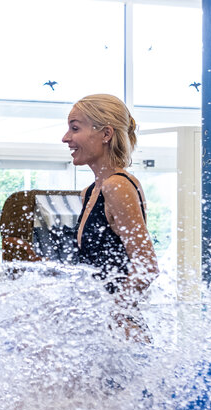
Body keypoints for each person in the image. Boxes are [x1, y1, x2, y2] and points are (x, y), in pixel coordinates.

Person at [61, 94, 158, 339]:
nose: (66, 138)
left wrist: (114, 314)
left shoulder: (118, 186)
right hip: (97, 328)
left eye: (75, 128)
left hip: (120, 332)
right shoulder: (90, 192)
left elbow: (146, 265)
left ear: (105, 134)